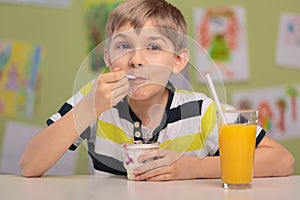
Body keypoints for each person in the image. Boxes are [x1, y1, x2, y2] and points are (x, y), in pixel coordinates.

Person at [20, 0, 294, 181]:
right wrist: (88, 108)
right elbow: (29, 165)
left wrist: (193, 168)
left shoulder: (201, 111)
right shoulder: (92, 103)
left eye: (153, 47)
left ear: (178, 61)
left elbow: (283, 162)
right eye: (124, 46)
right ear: (107, 59)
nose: (137, 59)